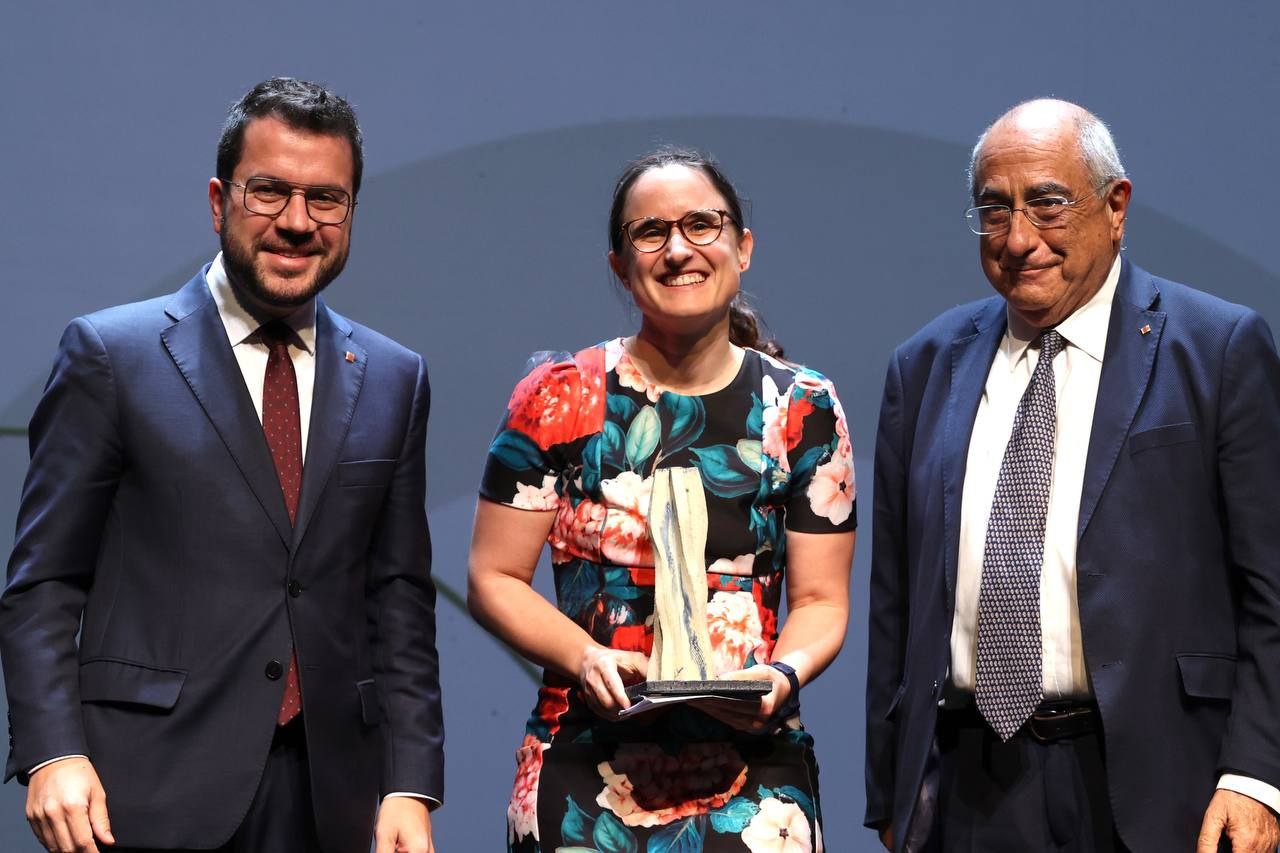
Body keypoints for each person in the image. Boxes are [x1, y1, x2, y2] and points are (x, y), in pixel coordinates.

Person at [0, 77, 443, 853]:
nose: (297, 223)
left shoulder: (394, 376)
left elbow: (397, 596)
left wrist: (409, 781)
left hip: (334, 798)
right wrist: (50, 748)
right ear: (218, 201)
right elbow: (44, 580)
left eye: (326, 200)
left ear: (351, 214)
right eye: (268, 191)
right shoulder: (111, 355)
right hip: (142, 789)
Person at [864, 98, 1280, 853]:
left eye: (1047, 204)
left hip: (1161, 783)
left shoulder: (1217, 349)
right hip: (966, 786)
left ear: (1115, 206)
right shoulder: (925, 364)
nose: (1020, 238)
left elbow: (1273, 589)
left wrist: (1256, 774)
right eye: (994, 210)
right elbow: (896, 600)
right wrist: (889, 789)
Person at [467, 147, 856, 852]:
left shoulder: (805, 406)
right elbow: (494, 578)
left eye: (702, 225)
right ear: (620, 264)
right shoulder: (559, 396)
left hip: (756, 774)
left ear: (743, 246)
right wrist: (583, 654)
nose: (678, 249)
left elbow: (823, 602)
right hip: (586, 759)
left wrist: (783, 672)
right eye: (651, 232)